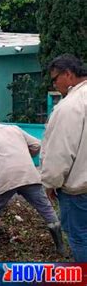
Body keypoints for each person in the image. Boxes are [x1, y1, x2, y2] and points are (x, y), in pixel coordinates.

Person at [0, 110, 66, 254]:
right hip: (29, 174)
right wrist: (21, 157)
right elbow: (37, 145)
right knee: (46, 209)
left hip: (4, 178)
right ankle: (60, 247)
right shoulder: (14, 129)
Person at [41, 54, 87, 262]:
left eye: (55, 78)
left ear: (68, 74)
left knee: (80, 238)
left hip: (79, 190)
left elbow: (60, 152)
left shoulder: (70, 106)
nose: (54, 83)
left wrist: (50, 183)